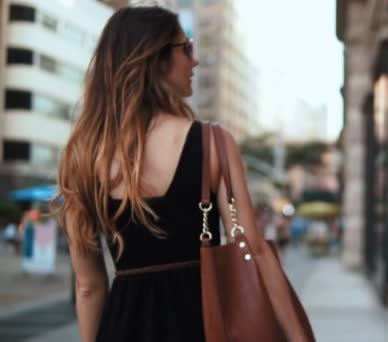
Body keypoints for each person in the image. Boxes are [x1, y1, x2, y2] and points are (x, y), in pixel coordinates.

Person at [51, 7, 258, 342]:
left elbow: (88, 286)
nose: (195, 61)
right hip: (203, 325)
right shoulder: (213, 143)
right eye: (186, 47)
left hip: (123, 328)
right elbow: (248, 247)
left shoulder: (83, 155)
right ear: (155, 58)